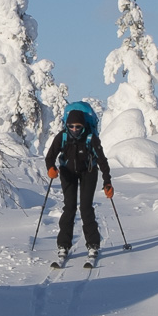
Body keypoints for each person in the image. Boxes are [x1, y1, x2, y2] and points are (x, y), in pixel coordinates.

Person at [44, 109, 113, 264]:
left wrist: (107, 182)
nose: (75, 129)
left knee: (86, 207)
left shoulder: (91, 138)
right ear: (67, 125)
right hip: (67, 173)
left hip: (89, 172)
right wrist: (51, 168)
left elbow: (102, 161)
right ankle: (63, 244)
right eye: (72, 126)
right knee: (69, 207)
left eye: (78, 126)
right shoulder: (62, 137)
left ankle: (93, 244)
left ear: (83, 126)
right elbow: (50, 156)